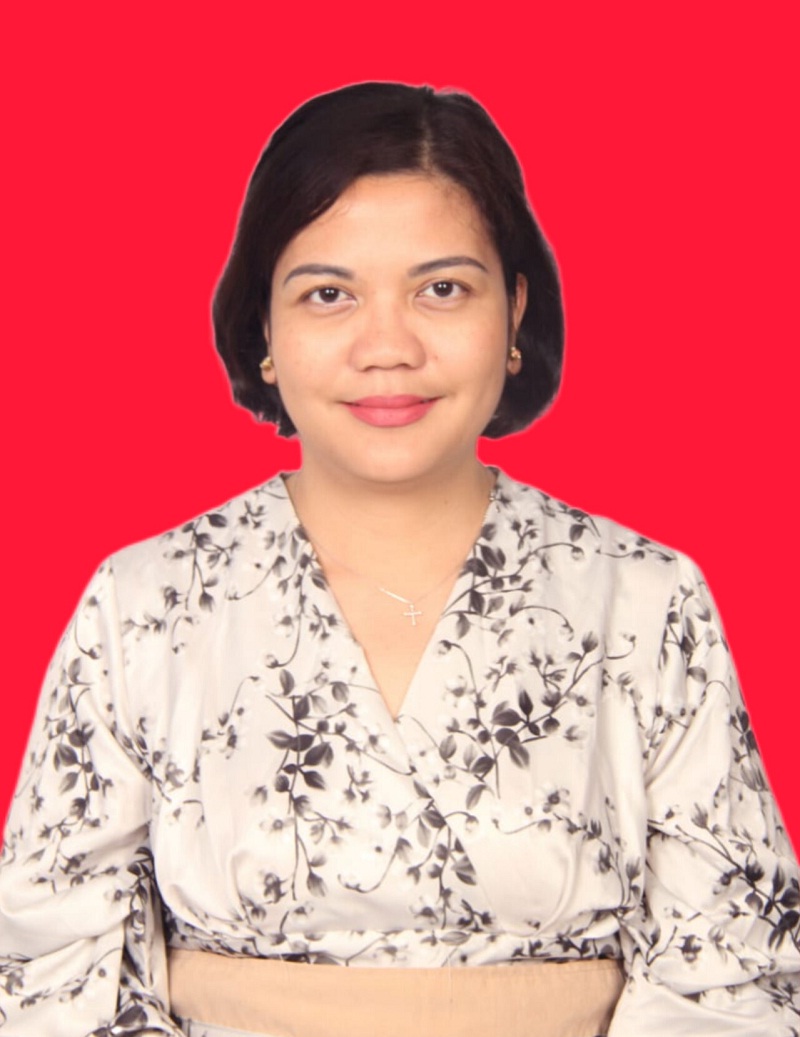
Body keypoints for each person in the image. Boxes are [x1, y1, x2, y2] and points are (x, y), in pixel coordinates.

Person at [1, 82, 798, 1037]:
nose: (388, 347)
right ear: (264, 330)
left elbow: (735, 970)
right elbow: (47, 970)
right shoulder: (144, 606)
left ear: (515, 314)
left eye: (443, 289)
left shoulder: (645, 601)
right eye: (328, 294)